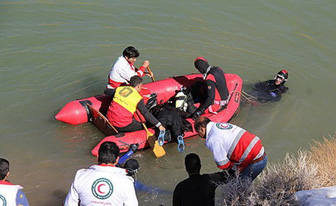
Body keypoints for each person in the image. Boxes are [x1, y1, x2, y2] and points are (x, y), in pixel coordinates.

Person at [64, 141, 138, 206]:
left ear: (98, 157)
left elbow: (69, 204)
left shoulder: (81, 176)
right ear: (117, 160)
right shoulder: (126, 181)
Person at [194, 116, 267, 181]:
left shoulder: (212, 139)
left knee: (239, 190)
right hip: (261, 154)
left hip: (255, 162)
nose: (199, 136)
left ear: (201, 129)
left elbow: (222, 163)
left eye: (198, 133)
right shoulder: (220, 125)